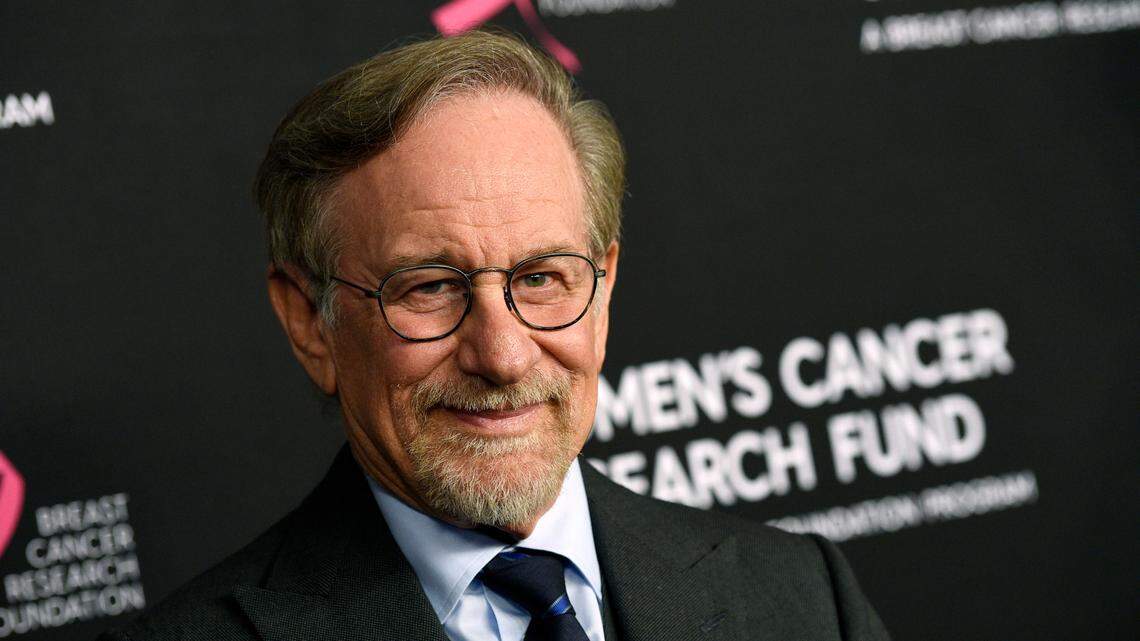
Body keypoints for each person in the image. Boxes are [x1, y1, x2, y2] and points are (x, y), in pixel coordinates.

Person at [99, 30, 890, 641]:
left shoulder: (804, 598)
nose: (503, 355)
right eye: (431, 287)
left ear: (604, 287)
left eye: (543, 278)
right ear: (311, 320)